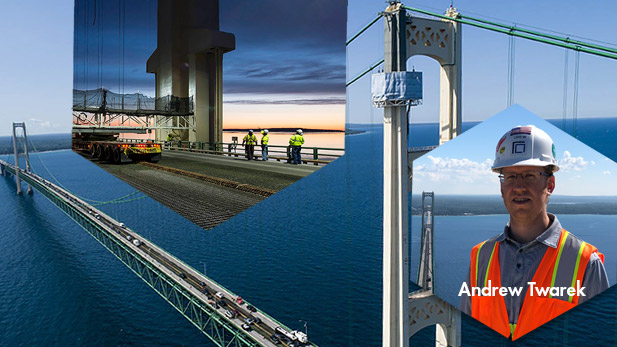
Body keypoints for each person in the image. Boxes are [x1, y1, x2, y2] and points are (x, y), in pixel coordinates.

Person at [459, 125, 609, 341]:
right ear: (501, 188)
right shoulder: (481, 256)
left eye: (529, 175)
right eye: (510, 177)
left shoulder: (585, 263)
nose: (518, 187)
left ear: (550, 184)